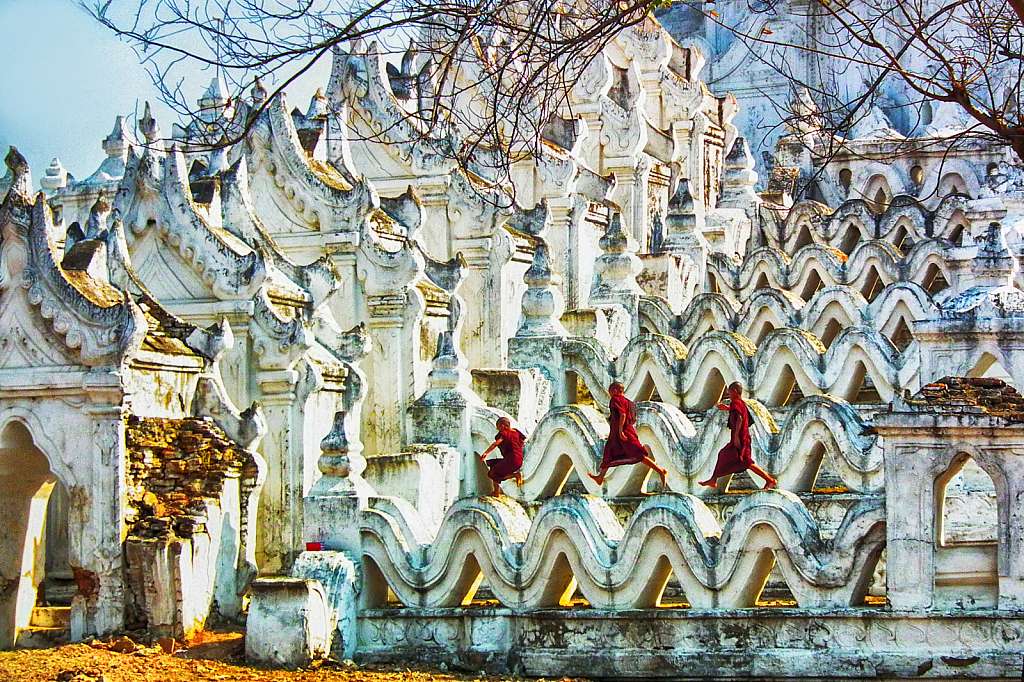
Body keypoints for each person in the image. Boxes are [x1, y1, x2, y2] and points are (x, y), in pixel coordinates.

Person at [698, 381, 777, 490]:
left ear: (735, 392)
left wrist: (736, 437)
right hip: (743, 436)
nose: (729, 395)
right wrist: (728, 409)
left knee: (745, 462)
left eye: (729, 393)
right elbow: (739, 414)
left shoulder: (735, 403)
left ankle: (769, 480)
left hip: (740, 437)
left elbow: (739, 419)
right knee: (728, 456)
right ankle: (713, 480)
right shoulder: (740, 403)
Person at [588, 382, 668, 487]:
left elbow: (623, 414)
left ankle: (660, 471)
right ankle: (600, 477)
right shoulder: (629, 402)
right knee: (609, 453)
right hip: (627, 431)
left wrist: (621, 430)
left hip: (621, 432)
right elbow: (634, 418)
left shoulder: (615, 399)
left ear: (615, 391)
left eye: (610, 393)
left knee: (638, 454)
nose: (610, 395)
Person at [478, 417, 526, 497]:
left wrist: (486, 453)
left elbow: (496, 443)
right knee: (491, 463)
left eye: (498, 427)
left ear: (503, 426)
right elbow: (523, 441)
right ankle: (513, 477)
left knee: (493, 473)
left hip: (511, 460)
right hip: (519, 459)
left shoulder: (504, 434)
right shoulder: (516, 432)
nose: (498, 430)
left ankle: (497, 492)